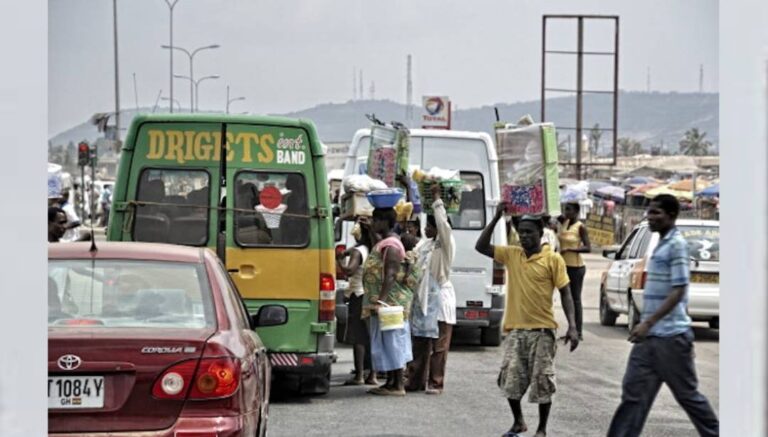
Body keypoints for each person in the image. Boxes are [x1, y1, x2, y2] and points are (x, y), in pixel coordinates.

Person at [607, 194, 719, 437]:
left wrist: (647, 322)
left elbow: (679, 290)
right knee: (633, 395)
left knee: (688, 396)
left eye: (656, 213)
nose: (650, 217)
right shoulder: (660, 244)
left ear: (671, 215)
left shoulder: (677, 245)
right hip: (649, 341)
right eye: (649, 212)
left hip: (671, 338)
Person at [476, 205, 579, 437]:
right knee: (509, 381)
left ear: (540, 233)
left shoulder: (553, 259)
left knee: (543, 381)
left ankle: (541, 429)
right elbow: (481, 246)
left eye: (529, 232)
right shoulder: (512, 254)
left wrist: (573, 326)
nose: (524, 236)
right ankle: (519, 422)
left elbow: (566, 293)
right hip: (516, 330)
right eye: (521, 232)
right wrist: (495, 218)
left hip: (543, 331)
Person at [405, 183, 455, 395]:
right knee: (420, 341)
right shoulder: (424, 245)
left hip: (440, 300)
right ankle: (415, 380)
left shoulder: (445, 244)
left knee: (439, 344)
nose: (426, 229)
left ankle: (436, 382)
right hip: (422, 299)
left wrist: (436, 199)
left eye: (430, 225)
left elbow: (445, 226)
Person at [361, 208, 413, 396]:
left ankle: (398, 384)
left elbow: (390, 274)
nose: (374, 223)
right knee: (386, 340)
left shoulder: (392, 245)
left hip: (389, 304)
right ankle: (391, 381)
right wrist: (369, 231)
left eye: (376, 220)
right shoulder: (385, 243)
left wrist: (381, 301)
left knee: (393, 340)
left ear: (384, 221)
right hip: (385, 303)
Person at [336, 221, 378, 386]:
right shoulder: (370, 248)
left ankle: (359, 375)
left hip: (358, 295)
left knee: (358, 337)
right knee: (371, 336)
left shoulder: (357, 251)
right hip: (369, 293)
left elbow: (349, 270)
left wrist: (339, 261)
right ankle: (373, 374)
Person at [558, 202, 591, 340]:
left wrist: (570, 249)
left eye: (569, 209)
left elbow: (588, 247)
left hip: (576, 267)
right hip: (563, 266)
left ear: (576, 212)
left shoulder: (580, 227)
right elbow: (550, 213)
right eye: (565, 209)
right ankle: (571, 328)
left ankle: (578, 331)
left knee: (575, 299)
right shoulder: (564, 222)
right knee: (565, 298)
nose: (566, 211)